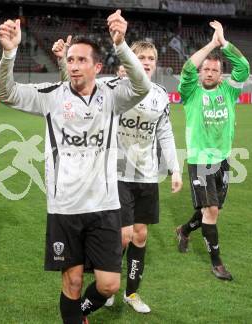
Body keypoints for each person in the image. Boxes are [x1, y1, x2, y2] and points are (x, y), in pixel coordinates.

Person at [0, 10, 151, 324]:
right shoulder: (51, 96)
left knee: (108, 285)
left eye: (81, 60)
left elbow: (142, 86)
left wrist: (121, 45)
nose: (74, 65)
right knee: (73, 282)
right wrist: (9, 53)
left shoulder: (112, 97)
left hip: (105, 207)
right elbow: (4, 92)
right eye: (71, 60)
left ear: (97, 67)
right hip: (65, 208)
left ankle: (75, 316)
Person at [52, 39, 182, 313]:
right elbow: (77, 92)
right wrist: (64, 61)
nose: (146, 63)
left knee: (141, 235)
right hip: (114, 173)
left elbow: (165, 133)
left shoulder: (159, 95)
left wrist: (175, 168)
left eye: (150, 58)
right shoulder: (111, 88)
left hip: (146, 175)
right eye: (140, 57)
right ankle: (105, 283)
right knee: (123, 235)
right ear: (128, 62)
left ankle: (131, 294)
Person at [175, 21, 250, 280]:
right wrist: (211, 45)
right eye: (205, 69)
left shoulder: (229, 92)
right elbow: (186, 68)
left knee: (210, 209)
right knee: (212, 212)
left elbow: (244, 67)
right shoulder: (191, 93)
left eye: (214, 70)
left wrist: (224, 42)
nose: (208, 72)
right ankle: (216, 263)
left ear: (221, 75)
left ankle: (184, 230)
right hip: (199, 159)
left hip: (222, 159)